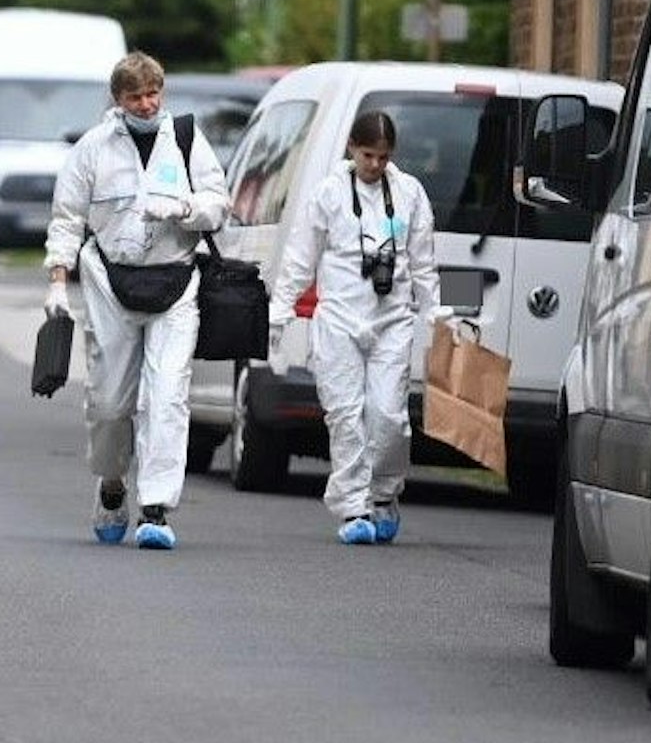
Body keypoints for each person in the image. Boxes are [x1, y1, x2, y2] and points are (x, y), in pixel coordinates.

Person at [43, 52, 228, 551]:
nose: (147, 105)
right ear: (118, 100)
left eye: (153, 94)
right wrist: (58, 282)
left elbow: (219, 203)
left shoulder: (187, 140)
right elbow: (66, 217)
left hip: (175, 283)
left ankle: (156, 508)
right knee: (109, 402)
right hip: (109, 282)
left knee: (167, 395)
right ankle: (111, 483)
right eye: (135, 97)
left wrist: (185, 208)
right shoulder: (93, 149)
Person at [268, 110, 441, 545]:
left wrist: (434, 314)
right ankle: (353, 507)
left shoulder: (408, 194)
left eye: (383, 157)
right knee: (345, 417)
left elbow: (423, 261)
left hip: (391, 318)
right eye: (368, 155)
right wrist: (280, 313)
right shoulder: (328, 195)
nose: (375, 165)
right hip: (340, 318)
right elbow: (299, 259)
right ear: (352, 149)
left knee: (388, 416)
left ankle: (384, 492)